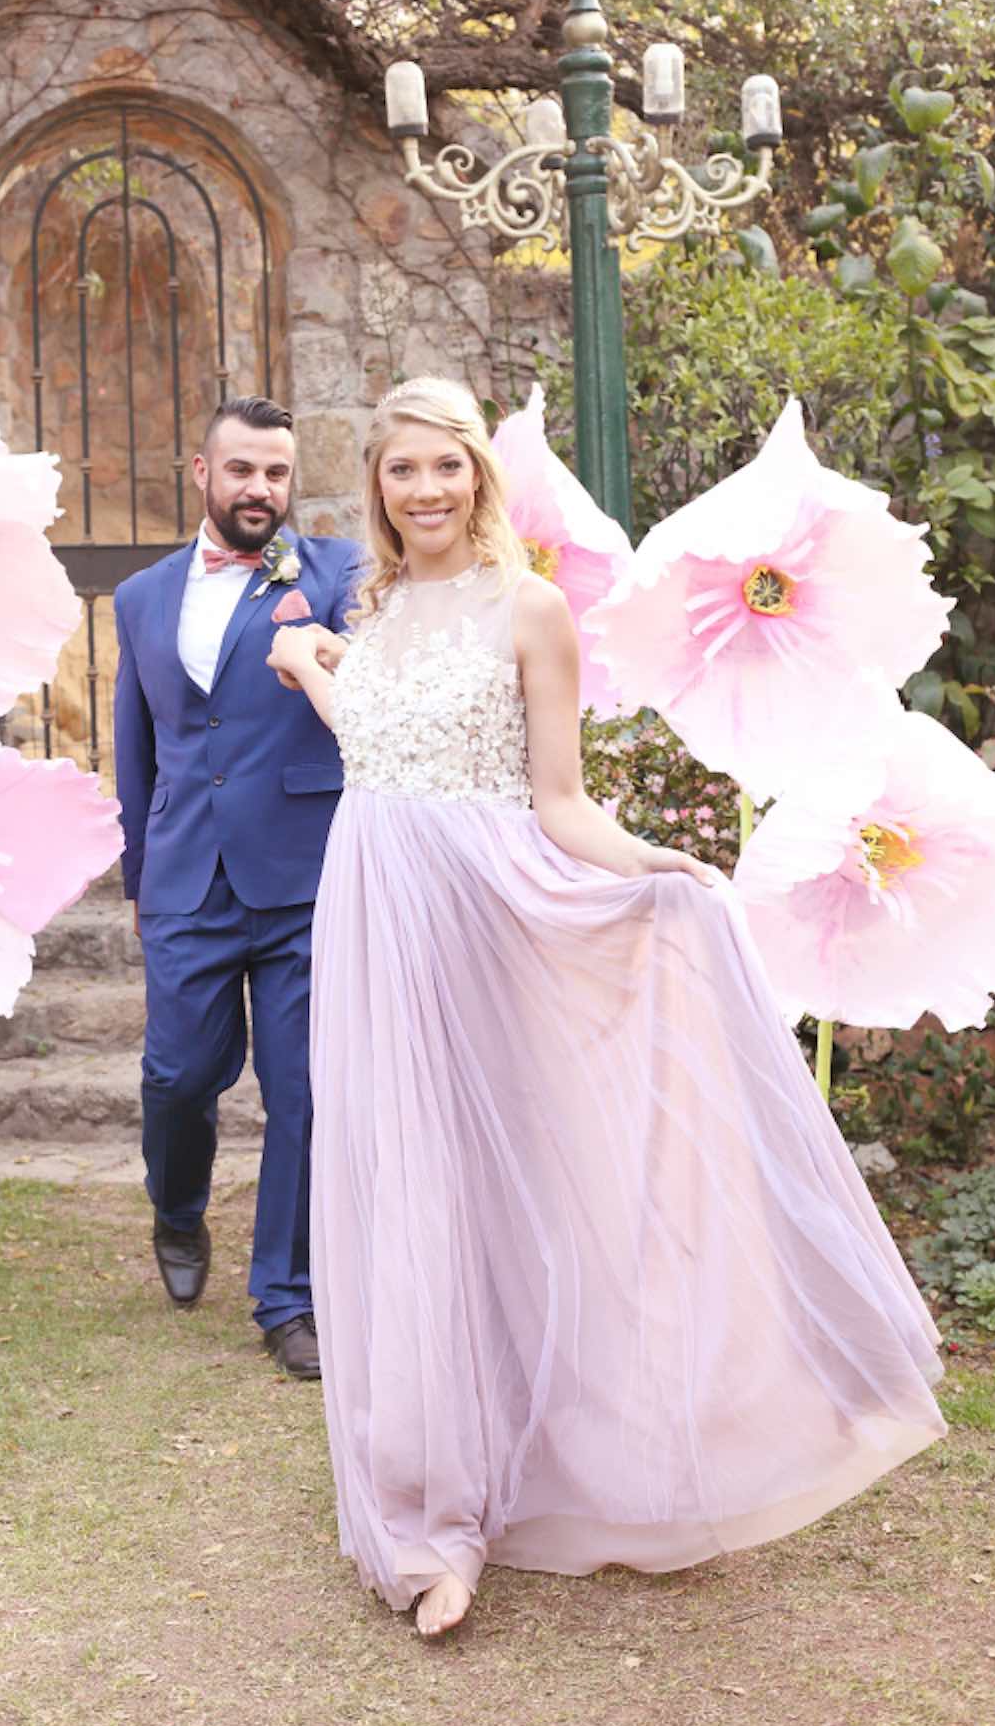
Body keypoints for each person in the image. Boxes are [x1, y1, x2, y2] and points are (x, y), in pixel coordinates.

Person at [266, 377, 946, 1635]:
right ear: (376, 485)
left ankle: (575, 1459)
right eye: (402, 469)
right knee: (404, 1188)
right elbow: (377, 744)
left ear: (479, 477)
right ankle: (429, 1518)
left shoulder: (528, 609)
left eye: (446, 467)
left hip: (489, 912)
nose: (425, 489)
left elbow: (559, 800)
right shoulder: (368, 612)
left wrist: (653, 869)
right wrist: (310, 661)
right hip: (373, 921)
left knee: (519, 1181)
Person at [113, 395, 361, 1379]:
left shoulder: (337, 573)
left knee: (300, 1092)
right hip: (186, 878)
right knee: (178, 1077)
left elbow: (370, 677)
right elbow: (139, 753)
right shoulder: (138, 598)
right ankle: (176, 1211)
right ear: (201, 473)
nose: (260, 489)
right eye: (242, 471)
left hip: (307, 871)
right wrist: (139, 876)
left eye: (276, 473)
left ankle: (286, 1297)